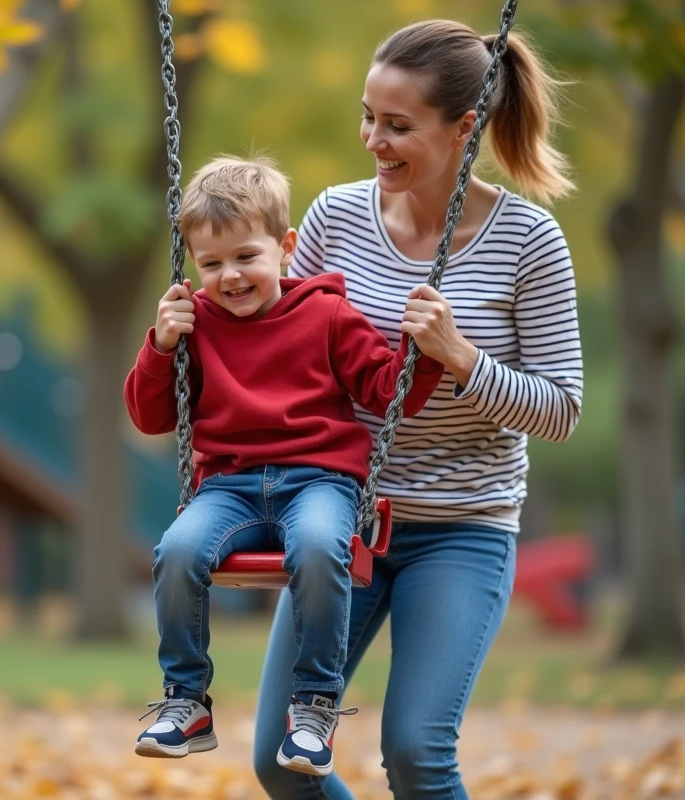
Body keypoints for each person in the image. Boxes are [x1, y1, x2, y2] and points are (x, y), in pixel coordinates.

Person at [251, 19, 584, 799]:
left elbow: (562, 409)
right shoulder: (334, 218)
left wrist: (462, 359)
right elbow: (279, 353)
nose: (373, 139)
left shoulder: (529, 242)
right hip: (341, 519)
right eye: (367, 116)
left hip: (463, 527)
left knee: (415, 749)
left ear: (465, 129)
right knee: (279, 759)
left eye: (397, 125)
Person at [124, 155, 444, 775]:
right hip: (230, 487)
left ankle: (314, 705)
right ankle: (186, 699)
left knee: (324, 547)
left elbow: (385, 390)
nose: (230, 276)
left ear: (285, 246)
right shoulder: (192, 324)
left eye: (246, 256)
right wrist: (160, 345)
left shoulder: (325, 315)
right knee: (178, 551)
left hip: (318, 481)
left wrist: (418, 350)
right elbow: (149, 415)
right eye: (211, 264)